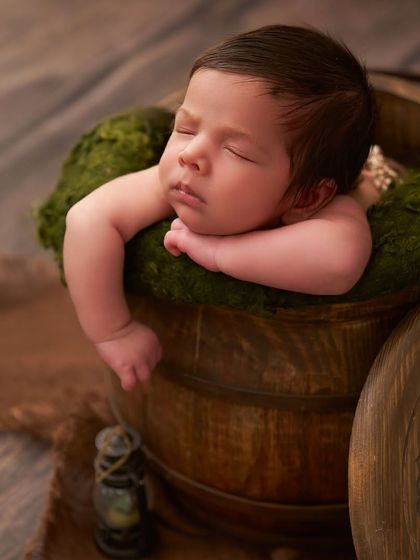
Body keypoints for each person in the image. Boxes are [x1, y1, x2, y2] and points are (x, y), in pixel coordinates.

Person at [63, 25, 377, 391]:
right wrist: (113, 331)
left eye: (236, 151)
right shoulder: (177, 179)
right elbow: (87, 219)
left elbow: (340, 264)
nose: (190, 154)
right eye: (185, 128)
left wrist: (218, 252)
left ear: (304, 198)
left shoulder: (329, 208)